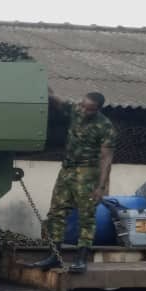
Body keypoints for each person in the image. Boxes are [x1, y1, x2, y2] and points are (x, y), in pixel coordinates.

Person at [27, 89, 116, 274]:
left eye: (88, 109)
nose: (83, 111)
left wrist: (101, 186)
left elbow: (106, 157)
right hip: (67, 170)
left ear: (97, 109)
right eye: (82, 105)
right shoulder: (76, 110)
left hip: (88, 172)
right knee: (56, 213)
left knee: (86, 216)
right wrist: (42, 85)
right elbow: (57, 100)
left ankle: (81, 259)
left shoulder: (105, 126)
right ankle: (54, 256)